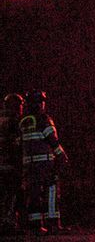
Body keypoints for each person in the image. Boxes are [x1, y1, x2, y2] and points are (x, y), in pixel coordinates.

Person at [20, 90, 68, 234]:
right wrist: (62, 155)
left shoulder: (24, 121)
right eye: (41, 101)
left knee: (34, 193)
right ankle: (53, 224)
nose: (42, 104)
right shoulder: (43, 119)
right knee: (52, 190)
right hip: (45, 163)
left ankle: (36, 226)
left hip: (28, 164)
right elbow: (52, 139)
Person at [1, 93, 24, 233]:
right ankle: (8, 223)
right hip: (10, 164)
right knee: (12, 194)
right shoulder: (15, 121)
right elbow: (18, 143)